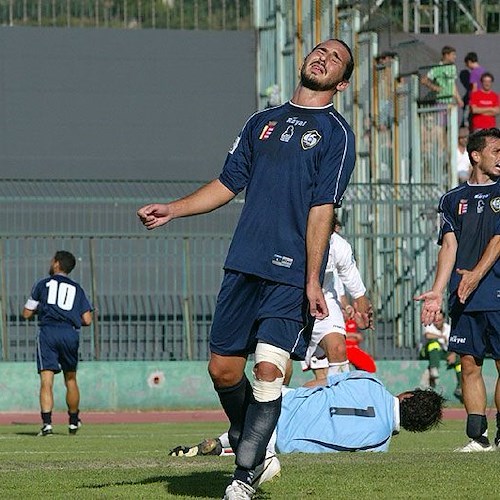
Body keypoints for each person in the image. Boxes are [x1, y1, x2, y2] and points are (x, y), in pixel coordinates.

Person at [137, 38, 356, 499]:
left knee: (269, 370)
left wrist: (312, 278)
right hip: (243, 264)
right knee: (222, 371)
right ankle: (253, 443)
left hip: (289, 273)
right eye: (319, 51)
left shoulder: (337, 133)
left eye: (335, 58)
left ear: (343, 81)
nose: (323, 58)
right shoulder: (262, 122)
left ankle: (243, 477)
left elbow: (323, 208)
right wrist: (173, 210)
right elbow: (226, 184)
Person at [415, 128, 500, 452]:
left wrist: (477, 274)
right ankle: (478, 437)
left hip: (493, 289)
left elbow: (498, 239)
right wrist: (437, 291)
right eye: (496, 151)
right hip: (463, 294)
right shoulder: (452, 200)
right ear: (475, 155)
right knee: (469, 363)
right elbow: (448, 246)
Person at [169, 371, 445, 465]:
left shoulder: (370, 381)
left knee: (261, 415)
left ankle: (222, 442)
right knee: (265, 445)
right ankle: (225, 447)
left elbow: (320, 383)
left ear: (407, 395)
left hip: (283, 402)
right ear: (414, 428)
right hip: (285, 443)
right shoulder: (378, 447)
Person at [22, 251, 93, 436]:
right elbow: (87, 319)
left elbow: (26, 313)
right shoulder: (77, 288)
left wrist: (45, 309)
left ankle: (47, 425)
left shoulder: (42, 284)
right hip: (69, 333)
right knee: (70, 378)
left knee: (46, 380)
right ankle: (73, 422)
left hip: (48, 332)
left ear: (56, 264)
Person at [299, 218, 372, 383]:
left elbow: (349, 274)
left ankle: (339, 402)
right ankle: (279, 406)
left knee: (338, 349)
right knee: (278, 368)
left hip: (324, 300)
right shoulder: (290, 237)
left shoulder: (339, 246)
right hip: (287, 299)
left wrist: (361, 304)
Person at [418, 310, 462, 401]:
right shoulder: (429, 325)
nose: (437, 322)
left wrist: (453, 354)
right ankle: (434, 368)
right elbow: (428, 335)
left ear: (444, 319)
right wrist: (441, 337)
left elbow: (455, 344)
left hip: (443, 352)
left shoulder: (449, 328)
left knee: (459, 360)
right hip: (426, 352)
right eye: (435, 320)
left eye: (439, 320)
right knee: (433, 343)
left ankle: (460, 387)